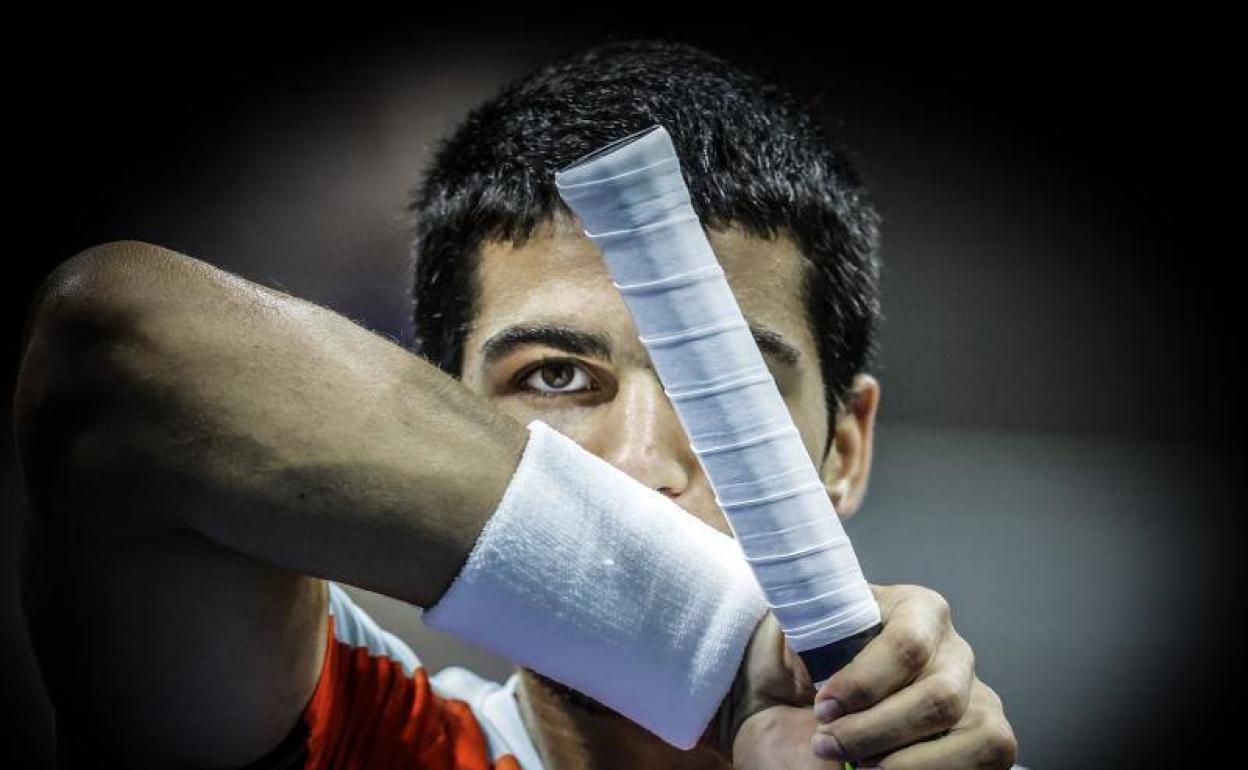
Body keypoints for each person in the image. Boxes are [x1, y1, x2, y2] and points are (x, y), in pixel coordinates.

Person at [13, 39, 1018, 769]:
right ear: (445, 419)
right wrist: (729, 660)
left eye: (732, 390)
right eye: (553, 375)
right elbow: (120, 350)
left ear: (845, 449)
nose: (637, 463)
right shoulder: (367, 738)